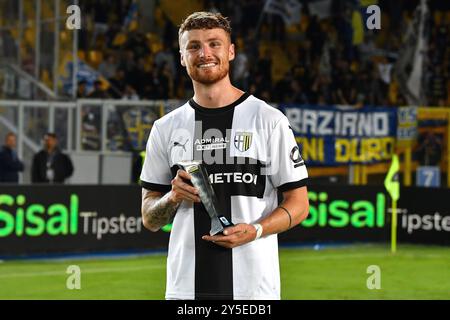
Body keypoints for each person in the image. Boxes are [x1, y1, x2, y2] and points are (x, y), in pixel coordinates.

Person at [140, 12, 309, 300]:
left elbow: (299, 204)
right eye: (193, 46)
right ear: (182, 57)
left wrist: (255, 230)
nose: (204, 53)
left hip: (254, 293)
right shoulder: (164, 128)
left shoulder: (268, 120)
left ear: (230, 52)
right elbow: (149, 218)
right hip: (186, 293)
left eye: (214, 44)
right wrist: (173, 197)